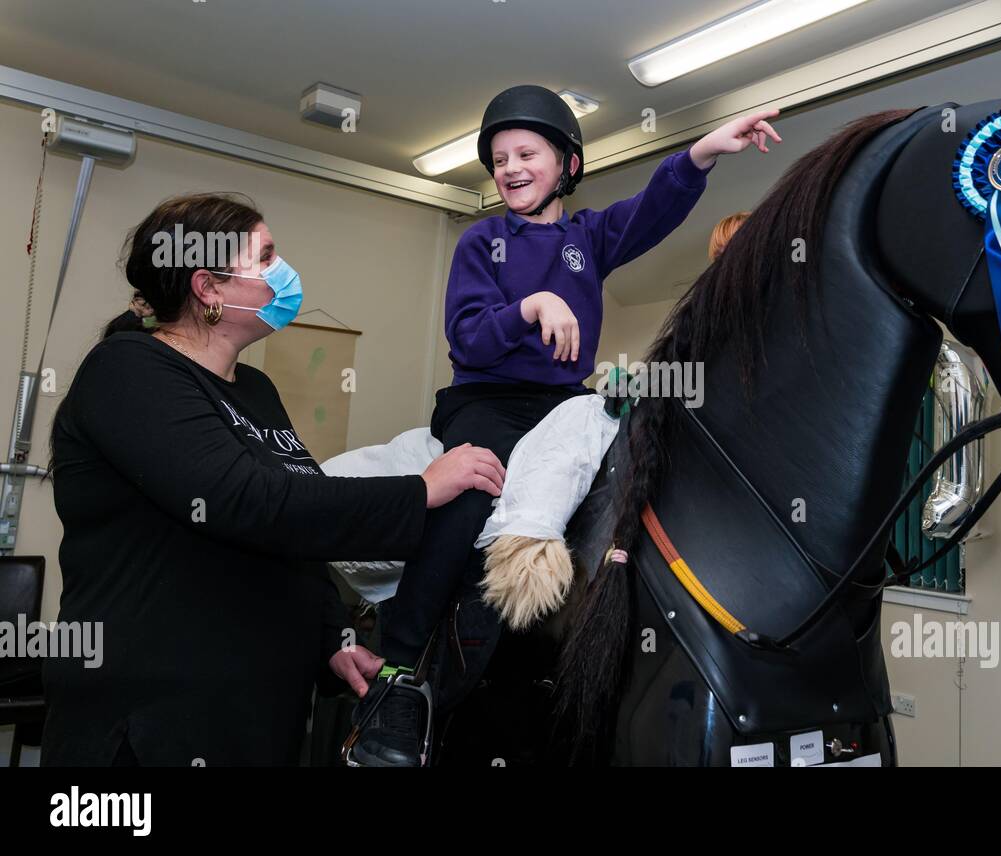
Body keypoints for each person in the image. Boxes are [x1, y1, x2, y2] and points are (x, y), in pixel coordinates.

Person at [354, 84, 781, 766]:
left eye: (527, 153)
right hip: (487, 399)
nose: (510, 167)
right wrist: (533, 305)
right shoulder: (480, 241)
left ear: (568, 166)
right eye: (499, 159)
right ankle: (399, 674)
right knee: (469, 490)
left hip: (563, 400)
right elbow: (468, 341)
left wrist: (702, 152)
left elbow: (654, 206)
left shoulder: (591, 236)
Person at [43, 192, 505, 766]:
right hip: (153, 717)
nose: (282, 274)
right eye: (263, 259)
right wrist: (421, 490)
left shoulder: (254, 390)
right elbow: (242, 500)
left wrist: (332, 640)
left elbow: (295, 538)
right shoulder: (128, 369)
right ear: (207, 288)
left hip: (257, 711)